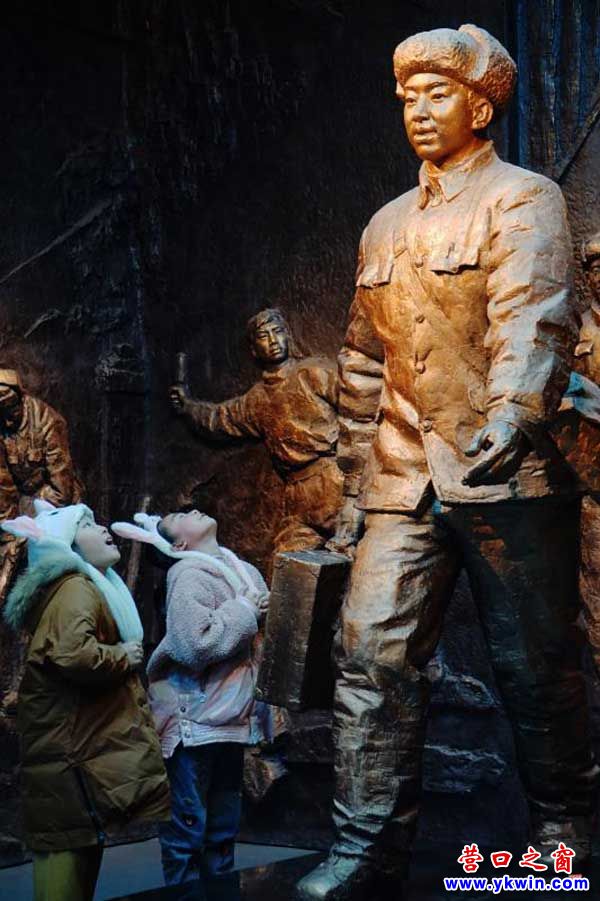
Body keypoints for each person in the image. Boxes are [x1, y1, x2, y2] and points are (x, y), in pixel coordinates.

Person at [298, 23, 599, 901]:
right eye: (408, 98)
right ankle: (366, 846)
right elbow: (362, 361)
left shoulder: (524, 199)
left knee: (535, 665)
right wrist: (357, 474)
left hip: (509, 472)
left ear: (480, 106)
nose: (419, 112)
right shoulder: (385, 225)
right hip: (402, 476)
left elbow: (533, 311)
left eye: (437, 95)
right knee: (369, 655)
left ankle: (563, 830)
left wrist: (515, 409)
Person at [1, 500, 170, 901]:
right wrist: (122, 655)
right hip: (69, 760)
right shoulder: (75, 587)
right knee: (64, 861)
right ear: (67, 545)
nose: (104, 529)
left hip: (72, 757)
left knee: (73, 849)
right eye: (89, 525)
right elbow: (71, 653)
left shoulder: (78, 586)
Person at [112, 508, 271, 886]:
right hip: (193, 724)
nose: (192, 510)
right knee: (188, 832)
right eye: (178, 517)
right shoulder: (187, 574)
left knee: (222, 831)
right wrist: (244, 609)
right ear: (180, 544)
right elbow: (192, 644)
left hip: (230, 721)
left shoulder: (244, 571)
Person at [169, 309, 343, 556]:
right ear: (253, 349)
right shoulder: (257, 398)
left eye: (277, 332)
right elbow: (221, 419)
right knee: (286, 559)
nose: (273, 341)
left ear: (288, 336)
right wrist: (188, 406)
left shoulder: (315, 372)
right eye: (263, 336)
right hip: (297, 495)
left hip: (333, 482)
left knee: (351, 547)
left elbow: (359, 408)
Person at [0, 367, 82, 606]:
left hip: (56, 505)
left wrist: (27, 519)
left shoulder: (49, 422)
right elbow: (3, 484)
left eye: (11, 411)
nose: (7, 421)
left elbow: (62, 490)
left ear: (21, 398)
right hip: (20, 503)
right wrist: (8, 530)